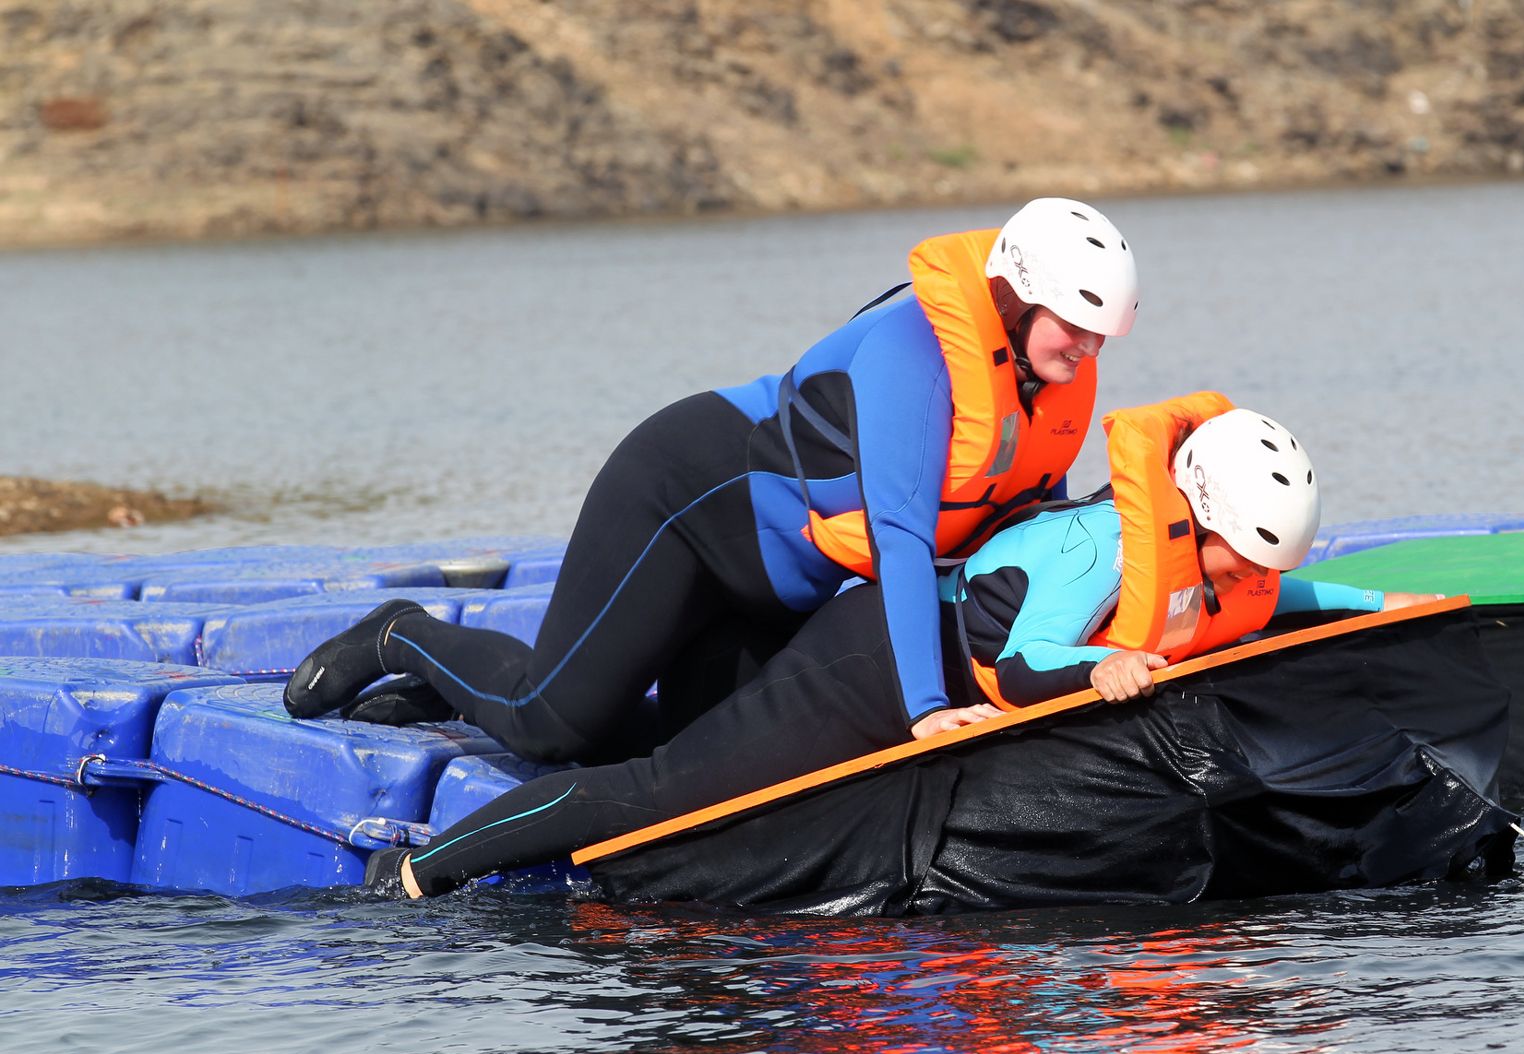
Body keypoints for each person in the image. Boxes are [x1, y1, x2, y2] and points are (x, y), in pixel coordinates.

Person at [364, 392, 1439, 898]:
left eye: (1256, 567)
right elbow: (1022, 665)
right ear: (1191, 518)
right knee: (658, 788)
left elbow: (1288, 593)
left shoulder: (1219, 566)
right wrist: (1099, 666)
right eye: (1235, 561)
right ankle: (416, 870)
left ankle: (431, 696)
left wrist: (1383, 602)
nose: (1247, 584)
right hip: (875, 658)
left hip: (908, 667)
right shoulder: (1102, 549)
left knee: (680, 737)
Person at [284, 197, 1140, 762]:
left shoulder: (1044, 386)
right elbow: (904, 539)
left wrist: (1058, 663)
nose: (1088, 352)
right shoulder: (911, 356)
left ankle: (444, 702)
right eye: (1076, 328)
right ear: (1016, 295)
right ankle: (404, 638)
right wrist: (925, 705)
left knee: (683, 752)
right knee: (555, 722)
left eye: (1102, 336)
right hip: (684, 502)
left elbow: (1034, 538)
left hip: (774, 587)